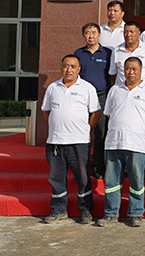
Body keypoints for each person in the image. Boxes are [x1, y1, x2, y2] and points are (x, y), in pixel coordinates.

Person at [97, 57, 145, 227]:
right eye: (127, 69)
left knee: (137, 181)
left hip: (137, 144)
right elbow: (109, 114)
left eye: (134, 69)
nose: (131, 72)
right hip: (114, 143)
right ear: (123, 71)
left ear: (141, 71)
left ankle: (135, 213)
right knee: (111, 182)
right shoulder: (114, 90)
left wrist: (139, 129)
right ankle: (111, 213)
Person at [40, 55, 100, 224]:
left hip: (79, 141)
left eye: (73, 66)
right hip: (55, 141)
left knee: (83, 177)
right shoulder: (53, 88)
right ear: (61, 68)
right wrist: (57, 125)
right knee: (56, 177)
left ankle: (85, 209)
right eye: (66, 66)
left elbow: (96, 112)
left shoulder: (87, 88)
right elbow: (46, 111)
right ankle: (58, 210)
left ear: (79, 69)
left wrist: (87, 129)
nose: (69, 70)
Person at [74, 23, 112, 179]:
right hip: (82, 97)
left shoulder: (107, 53)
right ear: (83, 35)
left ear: (99, 35)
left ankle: (98, 166)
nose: (91, 36)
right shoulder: (79, 53)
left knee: (101, 131)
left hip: (101, 96)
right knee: (81, 131)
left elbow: (111, 75)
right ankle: (80, 167)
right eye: (88, 33)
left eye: (94, 33)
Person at [108, 21, 145, 87]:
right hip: (122, 89)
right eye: (126, 32)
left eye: (131, 32)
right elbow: (112, 74)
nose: (128, 35)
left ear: (138, 33)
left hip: (142, 90)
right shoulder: (117, 51)